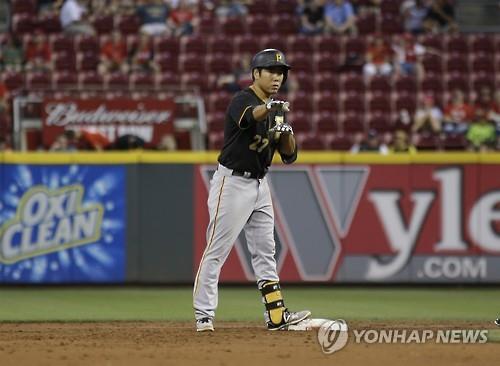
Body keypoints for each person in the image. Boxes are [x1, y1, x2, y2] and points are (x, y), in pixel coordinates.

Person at [193, 49, 311, 332]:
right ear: (255, 74)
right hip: (231, 183)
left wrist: (286, 134)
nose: (277, 77)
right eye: (271, 71)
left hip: (260, 184)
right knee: (217, 250)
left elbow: (289, 156)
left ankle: (276, 314)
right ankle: (204, 315)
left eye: (281, 72)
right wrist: (270, 110)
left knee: (265, 251)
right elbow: (248, 118)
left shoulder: (275, 110)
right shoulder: (243, 100)